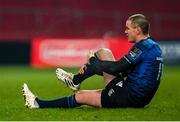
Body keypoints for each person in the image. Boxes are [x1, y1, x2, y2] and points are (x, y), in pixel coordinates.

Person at [22, 14, 163, 109]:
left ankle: (38, 103)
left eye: (128, 28)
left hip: (127, 98)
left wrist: (92, 62)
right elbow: (124, 70)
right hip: (135, 95)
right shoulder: (153, 46)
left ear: (137, 30)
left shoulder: (142, 47)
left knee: (80, 96)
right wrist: (94, 66)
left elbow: (116, 69)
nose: (125, 31)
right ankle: (75, 80)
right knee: (104, 52)